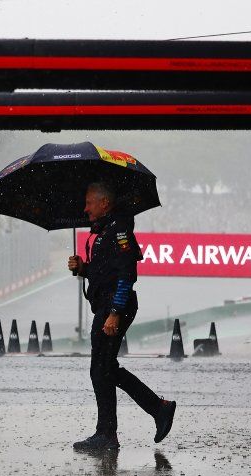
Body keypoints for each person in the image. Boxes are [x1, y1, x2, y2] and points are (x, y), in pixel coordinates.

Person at [67, 181, 176, 452]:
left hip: (115, 307)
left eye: (90, 203)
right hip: (105, 305)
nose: (86, 208)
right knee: (103, 369)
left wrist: (115, 313)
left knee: (101, 369)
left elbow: (127, 273)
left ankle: (110, 432)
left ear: (104, 203)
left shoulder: (119, 229)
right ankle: (150, 411)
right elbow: (105, 272)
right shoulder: (104, 229)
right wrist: (84, 268)